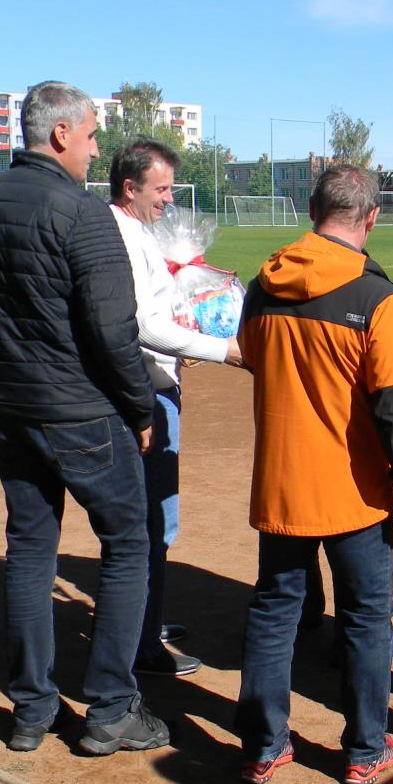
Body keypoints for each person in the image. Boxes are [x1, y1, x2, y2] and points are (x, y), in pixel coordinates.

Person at [0, 80, 165, 757]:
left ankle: (32, 709)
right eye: (94, 134)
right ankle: (109, 708)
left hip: (13, 413)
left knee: (31, 550)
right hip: (82, 413)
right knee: (128, 544)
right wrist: (140, 404)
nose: (98, 149)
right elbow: (112, 328)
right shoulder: (82, 212)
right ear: (63, 135)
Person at [235, 166, 393, 784]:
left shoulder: (263, 286)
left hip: (282, 482)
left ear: (313, 208)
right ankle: (365, 747)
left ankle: (264, 745)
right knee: (367, 616)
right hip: (355, 492)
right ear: (370, 218)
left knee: (274, 612)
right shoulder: (379, 298)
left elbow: (251, 355)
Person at [106, 137, 246, 679]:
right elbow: (143, 326)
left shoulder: (137, 232)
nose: (168, 199)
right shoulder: (123, 234)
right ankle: (141, 643)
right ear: (131, 187)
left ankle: (146, 621)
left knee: (152, 518)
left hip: (155, 381)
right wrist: (223, 348)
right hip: (145, 392)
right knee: (152, 521)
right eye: (160, 189)